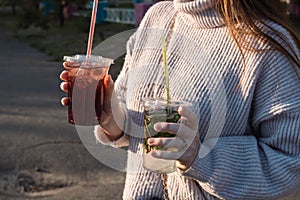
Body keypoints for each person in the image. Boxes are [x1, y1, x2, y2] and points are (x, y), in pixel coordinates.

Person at [60, 0, 300, 199]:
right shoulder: (158, 16)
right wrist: (114, 119)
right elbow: (136, 125)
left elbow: (290, 162)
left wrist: (200, 156)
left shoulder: (267, 44)